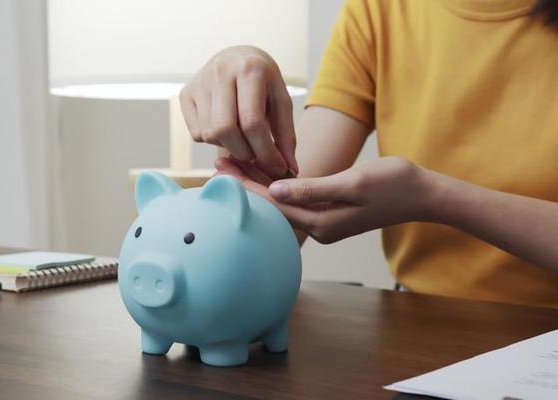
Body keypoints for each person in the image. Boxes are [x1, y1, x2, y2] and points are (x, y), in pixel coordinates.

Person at [179, 0, 558, 308]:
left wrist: (434, 198)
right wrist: (243, 69)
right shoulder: (380, 9)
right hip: (427, 340)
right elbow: (282, 206)